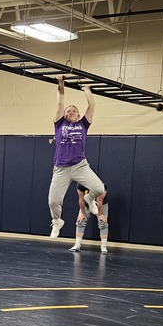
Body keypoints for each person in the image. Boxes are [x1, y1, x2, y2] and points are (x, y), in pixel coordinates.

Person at [48, 77, 106, 239]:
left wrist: (87, 90)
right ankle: (57, 221)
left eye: (73, 110)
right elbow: (60, 102)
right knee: (53, 201)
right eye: (68, 111)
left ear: (78, 115)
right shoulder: (59, 124)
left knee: (100, 189)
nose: (70, 112)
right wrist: (61, 85)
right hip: (61, 168)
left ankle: (89, 198)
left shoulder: (83, 125)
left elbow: (92, 105)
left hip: (80, 165)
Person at [69, 182, 109, 253]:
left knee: (103, 222)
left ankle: (103, 246)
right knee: (81, 220)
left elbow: (100, 201)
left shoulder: (101, 186)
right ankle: (77, 245)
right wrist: (83, 213)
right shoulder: (81, 185)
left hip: (99, 204)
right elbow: (81, 199)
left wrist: (100, 215)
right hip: (86, 204)